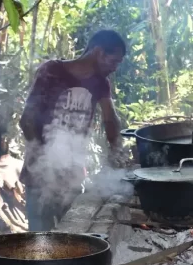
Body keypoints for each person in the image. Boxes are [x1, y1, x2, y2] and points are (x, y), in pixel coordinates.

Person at [19, 30, 126, 231]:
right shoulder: (52, 71)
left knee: (72, 237)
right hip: (40, 175)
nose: (114, 68)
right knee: (40, 241)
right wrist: (47, 163)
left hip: (72, 177)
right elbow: (27, 120)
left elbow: (110, 119)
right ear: (98, 52)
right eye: (113, 61)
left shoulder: (101, 83)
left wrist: (116, 148)